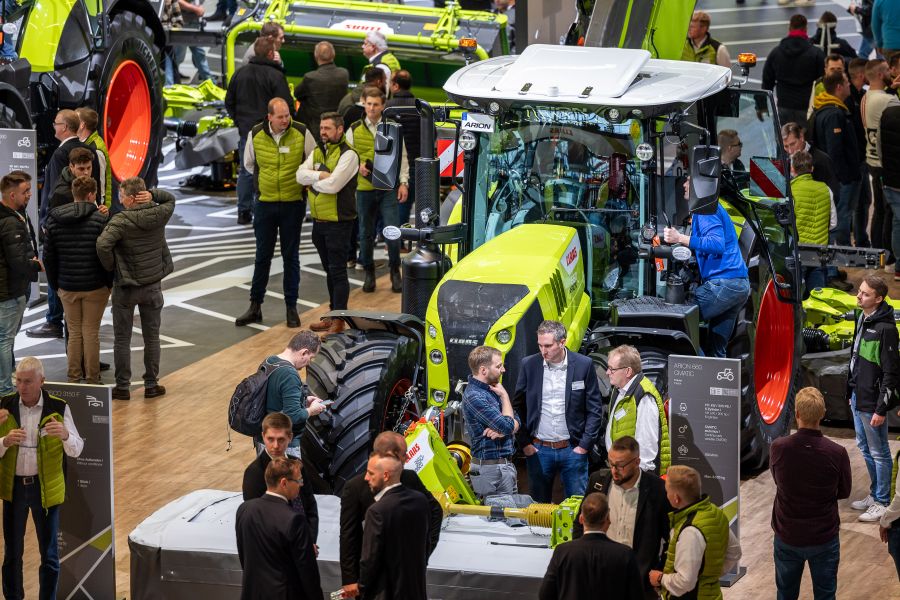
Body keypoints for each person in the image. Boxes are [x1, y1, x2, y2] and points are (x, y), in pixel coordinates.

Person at [0, 357, 84, 600]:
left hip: (44, 490)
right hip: (13, 490)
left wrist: (66, 435)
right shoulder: (5, 406)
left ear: (42, 381)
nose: (22, 387)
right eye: (19, 381)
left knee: (49, 555)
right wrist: (4, 441)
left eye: (28, 381)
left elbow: (77, 449)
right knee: (12, 554)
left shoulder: (58, 408)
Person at [234, 98, 315, 328]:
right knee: (262, 257)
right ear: (269, 117)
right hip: (265, 204)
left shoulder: (301, 132)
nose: (285, 120)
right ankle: (255, 306)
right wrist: (267, 182)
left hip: (293, 204)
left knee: (291, 258)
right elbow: (249, 164)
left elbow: (313, 160)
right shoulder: (256, 133)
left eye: (287, 115)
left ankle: (291, 307)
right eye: (280, 117)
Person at [95, 177, 175, 401]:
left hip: (126, 287)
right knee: (152, 337)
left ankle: (122, 387)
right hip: (152, 285)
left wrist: (112, 266)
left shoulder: (121, 221)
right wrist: (154, 195)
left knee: (122, 339)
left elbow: (102, 244)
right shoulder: (160, 214)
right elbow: (170, 199)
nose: (119, 201)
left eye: (122, 196)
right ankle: (151, 384)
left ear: (131, 198)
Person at [339, 432, 442, 599]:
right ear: (389, 456)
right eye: (403, 454)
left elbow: (435, 511)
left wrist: (423, 553)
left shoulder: (409, 478)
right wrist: (350, 578)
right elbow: (349, 535)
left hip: (408, 576)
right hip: (376, 581)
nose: (408, 458)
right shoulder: (355, 487)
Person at [770, 387, 851, 600]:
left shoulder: (778, 447)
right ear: (823, 414)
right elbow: (844, 491)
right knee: (825, 595)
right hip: (824, 537)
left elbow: (777, 479)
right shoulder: (837, 453)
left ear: (797, 414)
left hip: (787, 534)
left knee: (785, 594)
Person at [513, 320, 603, 502]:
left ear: (562, 342)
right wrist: (525, 444)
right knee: (538, 508)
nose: (543, 351)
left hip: (573, 449)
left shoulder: (583, 365)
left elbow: (594, 409)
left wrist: (584, 446)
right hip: (538, 450)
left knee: (576, 506)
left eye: (548, 345)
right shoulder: (529, 365)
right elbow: (517, 407)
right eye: (540, 345)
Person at [29, 109, 98, 340]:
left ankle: (54, 320)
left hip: (59, 221)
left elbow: (56, 191)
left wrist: (48, 221)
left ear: (65, 128)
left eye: (56, 123)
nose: (53, 126)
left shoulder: (62, 155)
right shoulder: (88, 149)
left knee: (54, 270)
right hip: (83, 218)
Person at [575, 436, 671, 600]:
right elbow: (580, 523)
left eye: (620, 465)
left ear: (637, 462)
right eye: (611, 463)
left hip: (639, 583)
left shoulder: (658, 490)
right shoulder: (597, 481)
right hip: (599, 578)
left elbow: (671, 536)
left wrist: (659, 571)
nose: (614, 470)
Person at [663, 181, 751, 358]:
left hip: (724, 284)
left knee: (679, 321)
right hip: (738, 285)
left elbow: (715, 244)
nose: (684, 185)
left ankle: (698, 375)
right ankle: (716, 383)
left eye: (688, 181)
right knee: (717, 349)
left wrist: (679, 237)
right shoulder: (710, 208)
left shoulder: (704, 209)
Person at [43, 176, 111, 384]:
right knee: (91, 333)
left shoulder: (54, 219)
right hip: (95, 287)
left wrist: (56, 284)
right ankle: (92, 378)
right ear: (91, 195)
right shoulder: (100, 220)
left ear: (74, 194)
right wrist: (109, 282)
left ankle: (73, 377)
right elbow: (107, 253)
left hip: (67, 286)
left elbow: (48, 257)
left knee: (74, 332)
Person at [297, 111, 358, 336]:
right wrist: (321, 176)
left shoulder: (349, 155)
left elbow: (335, 186)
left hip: (339, 223)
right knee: (329, 272)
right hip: (319, 221)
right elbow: (299, 175)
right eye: (321, 128)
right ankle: (333, 314)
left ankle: (339, 319)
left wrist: (312, 181)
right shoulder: (318, 151)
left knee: (338, 272)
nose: (322, 132)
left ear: (340, 129)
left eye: (327, 128)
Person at [346, 86, 409, 293]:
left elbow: (403, 157)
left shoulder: (392, 127)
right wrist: (358, 167)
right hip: (364, 189)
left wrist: (403, 182)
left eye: (376, 104)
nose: (371, 108)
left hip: (388, 187)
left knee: (392, 231)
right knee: (365, 233)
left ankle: (394, 271)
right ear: (363, 103)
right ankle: (369, 273)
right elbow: (346, 157)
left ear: (383, 106)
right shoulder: (354, 129)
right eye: (368, 104)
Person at [224, 36, 294, 225]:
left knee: (246, 171)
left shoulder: (240, 74)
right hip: (269, 133)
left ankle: (243, 211)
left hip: (246, 130)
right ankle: (263, 211)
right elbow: (286, 106)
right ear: (271, 54)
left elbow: (228, 102)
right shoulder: (276, 76)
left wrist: (239, 121)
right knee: (270, 170)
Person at [848, 275, 900, 522]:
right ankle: (874, 492)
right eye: (860, 291)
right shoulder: (862, 318)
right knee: (864, 447)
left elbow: (891, 373)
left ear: (878, 299)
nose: (859, 296)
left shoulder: (886, 329)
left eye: (865, 294)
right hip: (858, 395)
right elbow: (856, 359)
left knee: (879, 452)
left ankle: (882, 500)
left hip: (872, 402)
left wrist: (881, 408)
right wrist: (851, 392)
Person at [234, 456, 322, 600]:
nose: (301, 484)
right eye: (299, 480)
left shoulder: (244, 509)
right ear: (284, 483)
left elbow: (244, 556)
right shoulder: (294, 519)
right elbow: (307, 572)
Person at [648, 465, 741, 600]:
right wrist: (709, 575)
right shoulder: (714, 512)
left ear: (676, 498)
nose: (665, 495)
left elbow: (685, 582)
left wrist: (660, 578)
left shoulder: (690, 531)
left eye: (667, 491)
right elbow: (734, 552)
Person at [539, 492, 643, 600]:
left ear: (581, 518)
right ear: (608, 519)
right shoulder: (625, 554)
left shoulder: (562, 551)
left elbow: (545, 594)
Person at [358, 451, 431, 600]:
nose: (366, 478)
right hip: (416, 590)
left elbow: (369, 560)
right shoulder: (420, 501)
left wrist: (362, 588)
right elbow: (426, 544)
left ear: (385, 476)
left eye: (371, 473)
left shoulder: (377, 511)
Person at [242, 412, 319, 543]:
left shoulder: (298, 465)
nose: (276, 446)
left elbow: (310, 506)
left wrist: (309, 541)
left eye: (281, 439)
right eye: (270, 439)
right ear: (263, 437)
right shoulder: (254, 473)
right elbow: (257, 521)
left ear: (290, 437)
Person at [811, 71, 863, 247]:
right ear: (839, 87)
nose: (850, 85)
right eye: (847, 83)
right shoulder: (834, 114)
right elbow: (835, 151)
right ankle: (844, 255)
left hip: (837, 177)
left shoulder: (823, 108)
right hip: (842, 178)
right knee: (842, 216)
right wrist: (843, 177)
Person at [0, 171, 40, 396]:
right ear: (12, 195)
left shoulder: (15, 214)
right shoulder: (11, 222)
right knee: (5, 340)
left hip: (8, 288)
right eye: (25, 191)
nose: (30, 195)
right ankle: (5, 388)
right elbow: (18, 262)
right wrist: (36, 265)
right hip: (10, 291)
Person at [255, 331, 327, 455]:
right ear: (304, 352)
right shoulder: (289, 375)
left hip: (265, 439)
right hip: (284, 446)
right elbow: (293, 416)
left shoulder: (269, 361)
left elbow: (275, 396)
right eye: (311, 357)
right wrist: (311, 410)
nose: (309, 363)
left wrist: (302, 399)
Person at [462, 345, 521, 496]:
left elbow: (516, 420)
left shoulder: (492, 388)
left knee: (511, 517)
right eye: (499, 366)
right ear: (483, 370)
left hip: (503, 468)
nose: (503, 370)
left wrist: (505, 430)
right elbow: (508, 425)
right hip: (491, 472)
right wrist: (505, 397)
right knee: (496, 518)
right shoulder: (475, 396)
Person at [604, 346, 669, 474]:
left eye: (612, 369)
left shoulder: (644, 396)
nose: (607, 372)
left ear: (628, 371)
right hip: (622, 468)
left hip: (635, 473)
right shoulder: (619, 389)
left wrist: (639, 477)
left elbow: (647, 444)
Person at [862, 59, 900, 275]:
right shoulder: (887, 101)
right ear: (878, 74)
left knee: (880, 211)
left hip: (873, 159)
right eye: (887, 70)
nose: (891, 73)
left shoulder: (869, 97)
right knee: (889, 213)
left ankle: (879, 254)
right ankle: (888, 256)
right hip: (885, 163)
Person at [763, 14, 825, 129]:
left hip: (784, 105)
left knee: (786, 141)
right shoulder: (815, 53)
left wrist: (761, 105)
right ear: (805, 29)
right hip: (807, 107)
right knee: (806, 142)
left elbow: (767, 80)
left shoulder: (776, 53)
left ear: (789, 28)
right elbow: (822, 82)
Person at [789, 150, 836, 294]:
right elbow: (833, 223)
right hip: (819, 252)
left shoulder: (790, 191)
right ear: (812, 169)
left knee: (797, 295)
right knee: (818, 296)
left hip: (798, 252)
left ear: (792, 169)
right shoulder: (826, 189)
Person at [385, 70, 421, 228]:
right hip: (415, 161)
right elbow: (431, 134)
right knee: (407, 202)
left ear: (395, 85)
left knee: (392, 203)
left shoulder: (388, 107)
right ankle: (403, 238)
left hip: (391, 162)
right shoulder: (420, 106)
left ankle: (392, 238)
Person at [295, 41, 349, 142]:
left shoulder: (310, 77)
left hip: (316, 128)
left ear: (316, 56)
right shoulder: (344, 74)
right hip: (337, 126)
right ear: (333, 55)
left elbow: (297, 94)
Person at [168, 0, 213, 86]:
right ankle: (170, 84)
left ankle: (209, 81)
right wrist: (196, 9)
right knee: (177, 56)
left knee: (198, 53)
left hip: (191, 20)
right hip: (182, 22)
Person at [75, 107, 113, 209]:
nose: (72, 122)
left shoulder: (96, 149)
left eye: (75, 119)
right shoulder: (86, 143)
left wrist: (102, 208)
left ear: (82, 125)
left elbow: (101, 182)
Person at [360, 31, 400, 95]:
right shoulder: (389, 58)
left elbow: (375, 92)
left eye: (365, 44)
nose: (362, 46)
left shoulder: (381, 63)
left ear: (373, 47)